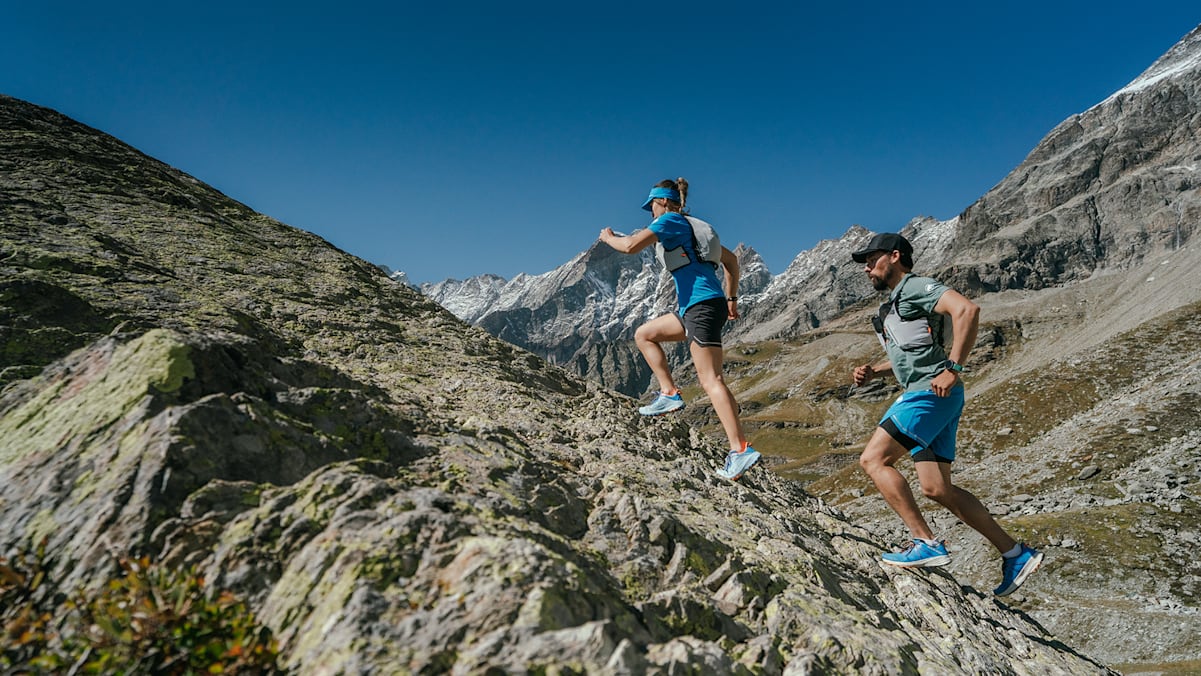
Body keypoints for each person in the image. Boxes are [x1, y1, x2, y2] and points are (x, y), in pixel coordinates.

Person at [850, 232, 1043, 597]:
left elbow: (967, 310)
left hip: (929, 392)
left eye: (871, 259)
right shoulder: (892, 304)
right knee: (937, 487)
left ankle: (924, 541)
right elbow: (911, 352)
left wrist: (953, 368)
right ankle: (1015, 553)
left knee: (873, 460)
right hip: (934, 393)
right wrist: (875, 371)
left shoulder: (915, 286)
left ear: (894, 256)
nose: (866, 267)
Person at [598, 178, 760, 481]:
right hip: (698, 307)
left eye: (651, 207)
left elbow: (631, 246)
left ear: (663, 203)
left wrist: (608, 238)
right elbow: (732, 261)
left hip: (700, 306)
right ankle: (670, 392)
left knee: (711, 380)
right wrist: (731, 299)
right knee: (644, 334)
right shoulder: (692, 229)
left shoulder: (671, 220)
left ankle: (740, 450)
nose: (651, 214)